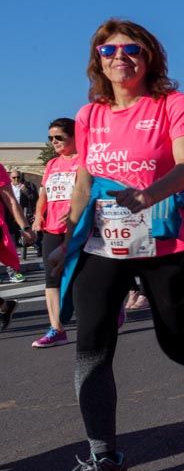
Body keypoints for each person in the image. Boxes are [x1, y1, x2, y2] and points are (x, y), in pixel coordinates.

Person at [44, 19, 184, 471]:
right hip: (103, 242)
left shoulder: (174, 104)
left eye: (131, 48)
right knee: (91, 346)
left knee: (174, 342)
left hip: (167, 238)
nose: (119, 57)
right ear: (98, 59)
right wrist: (66, 242)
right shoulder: (89, 114)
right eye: (108, 50)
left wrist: (149, 194)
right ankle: (104, 460)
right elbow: (85, 183)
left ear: (148, 56)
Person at [31, 118, 83, 347]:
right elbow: (43, 193)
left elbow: (87, 192)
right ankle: (56, 328)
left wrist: (74, 210)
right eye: (51, 138)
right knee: (51, 279)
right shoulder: (52, 164)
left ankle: (110, 311)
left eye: (59, 137)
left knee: (80, 278)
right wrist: (38, 215)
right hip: (52, 227)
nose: (54, 142)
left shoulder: (84, 160)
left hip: (77, 227)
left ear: (74, 136)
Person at [1, 162, 36, 283]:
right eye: (14, 177)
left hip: (16, 217)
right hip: (9, 218)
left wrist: (26, 227)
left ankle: (14, 273)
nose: (16, 179)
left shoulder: (27, 186)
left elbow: (31, 199)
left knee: (10, 245)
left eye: (18, 177)